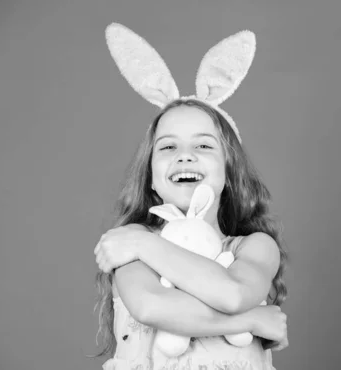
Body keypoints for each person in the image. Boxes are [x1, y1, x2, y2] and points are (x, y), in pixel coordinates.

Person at [93, 23, 289, 370]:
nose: (185, 155)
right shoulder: (133, 243)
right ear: (151, 177)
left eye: (203, 145)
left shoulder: (252, 247)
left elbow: (233, 293)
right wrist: (252, 321)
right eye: (168, 147)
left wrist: (144, 247)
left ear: (229, 172)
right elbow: (151, 306)